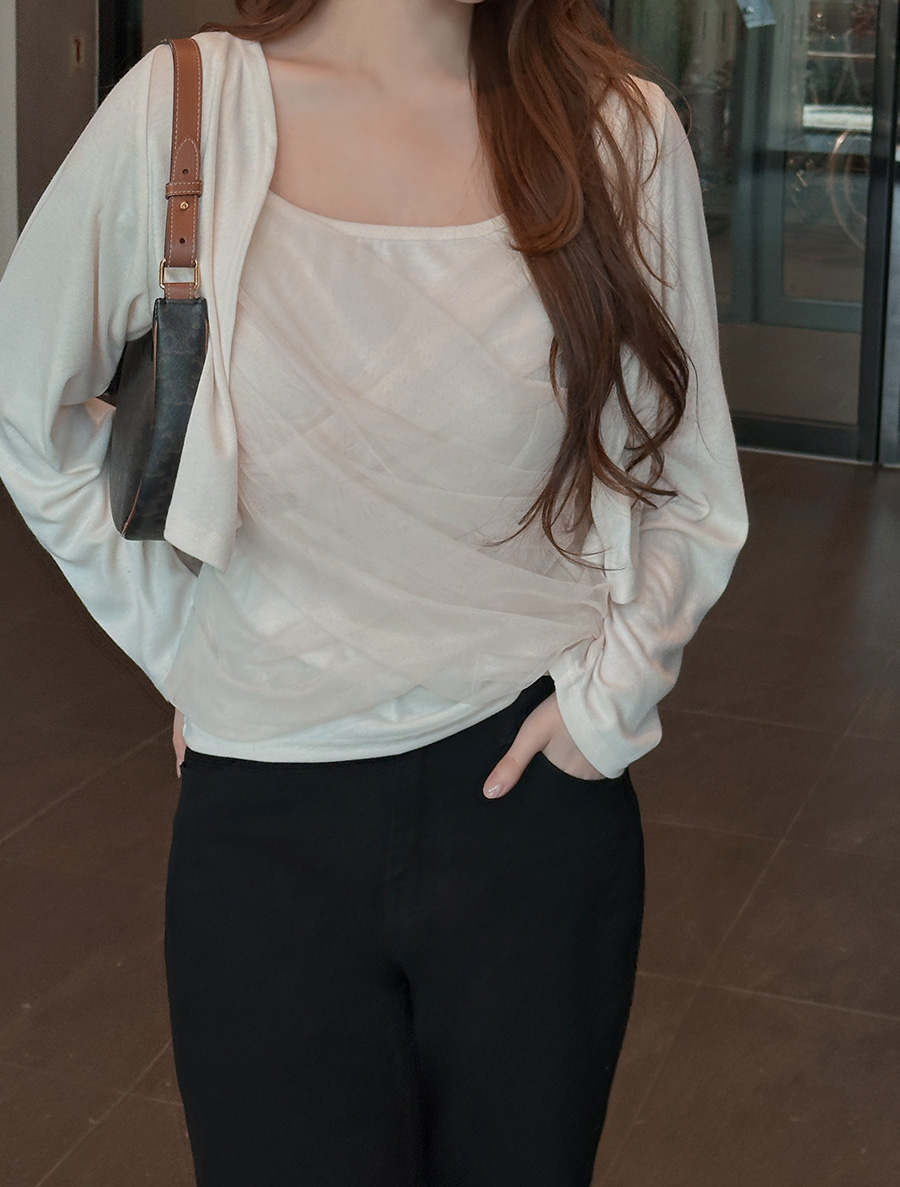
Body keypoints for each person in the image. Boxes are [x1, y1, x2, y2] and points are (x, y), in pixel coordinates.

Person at [0, 1, 748, 1184]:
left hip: (531, 802)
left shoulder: (618, 132)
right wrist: (187, 644)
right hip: (267, 820)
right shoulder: (186, 112)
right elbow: (25, 414)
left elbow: (688, 482)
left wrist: (609, 702)